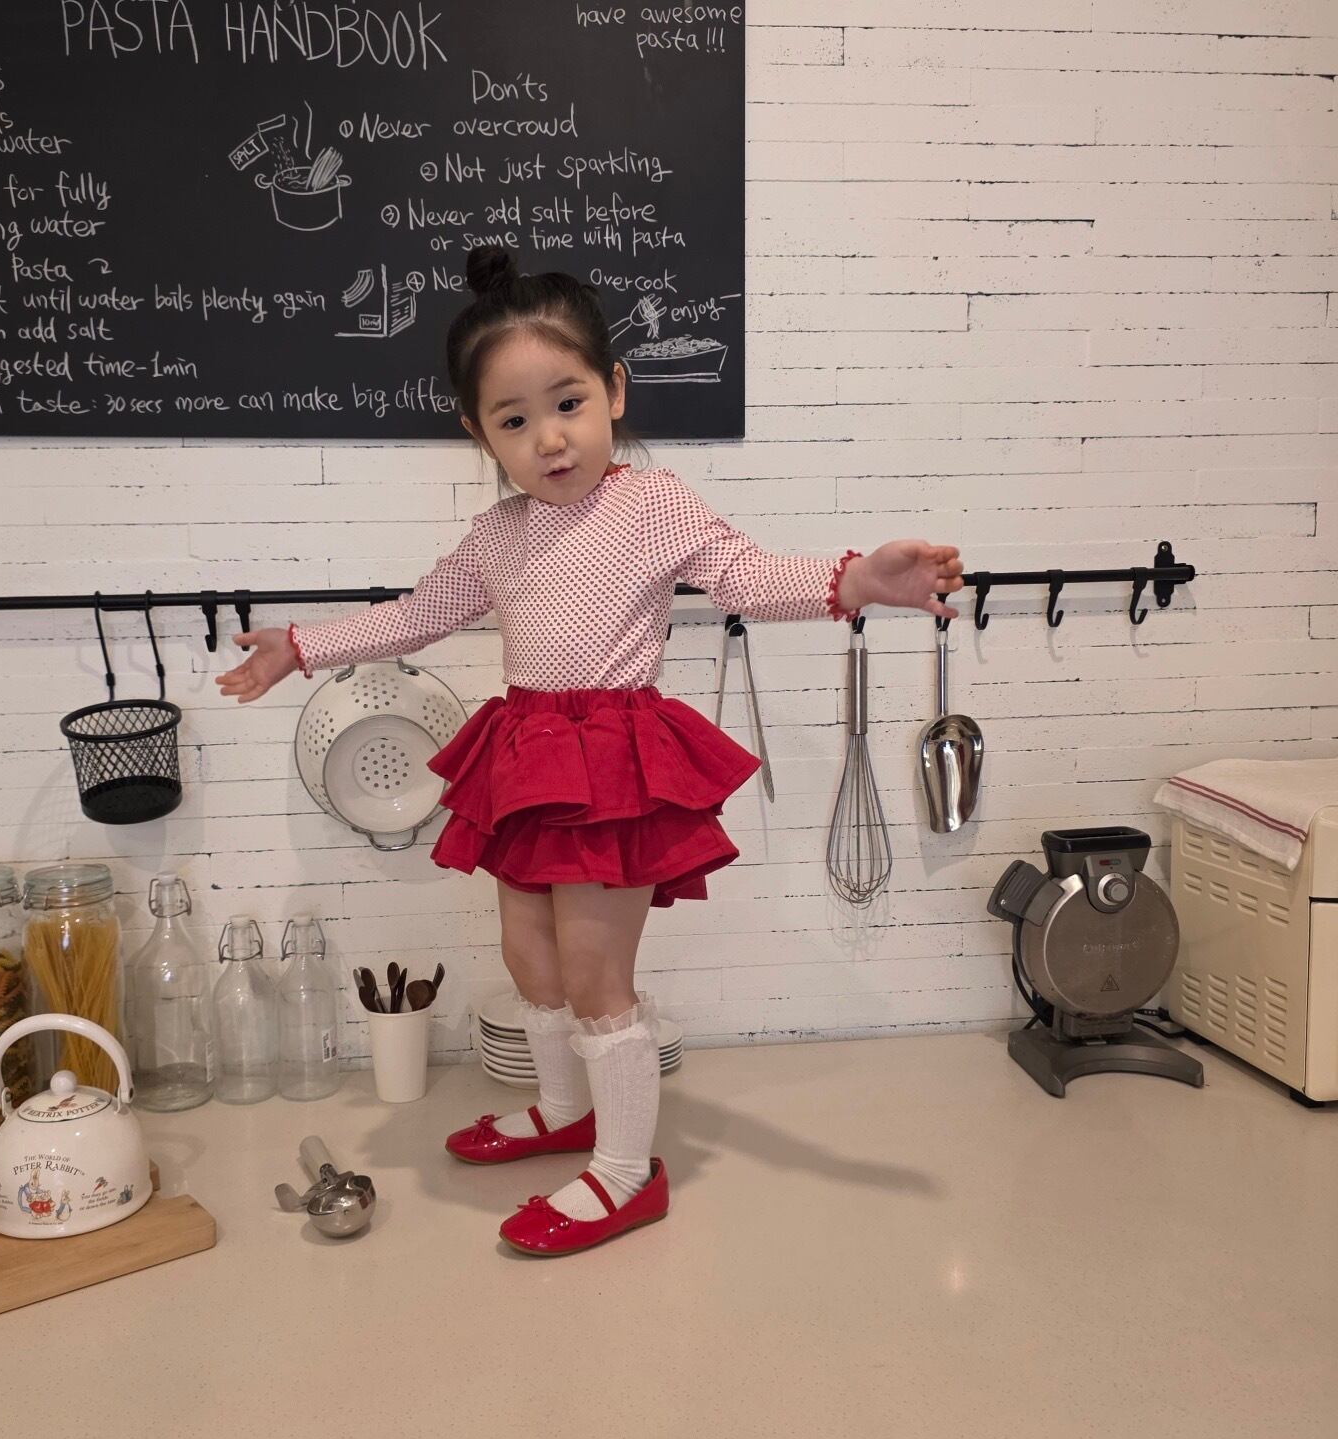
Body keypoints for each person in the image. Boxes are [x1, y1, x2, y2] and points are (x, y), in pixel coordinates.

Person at [216, 247, 963, 1256]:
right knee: (528, 955)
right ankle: (565, 1111)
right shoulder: (498, 534)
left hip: (612, 760)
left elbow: (745, 577)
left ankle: (623, 1172)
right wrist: (302, 646)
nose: (549, 437)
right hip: (526, 753)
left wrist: (857, 579)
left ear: (613, 390)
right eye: (513, 420)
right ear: (477, 433)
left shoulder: (652, 505)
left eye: (566, 403)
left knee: (592, 970)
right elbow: (417, 613)